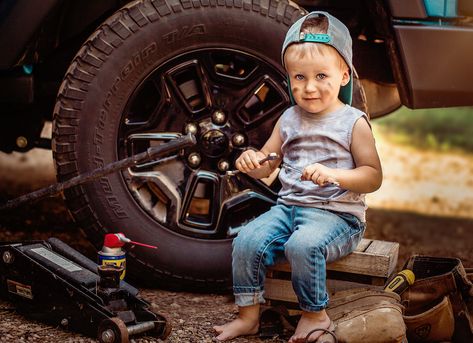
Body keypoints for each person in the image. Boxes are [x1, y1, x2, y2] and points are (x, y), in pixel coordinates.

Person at [213, 11, 382, 343]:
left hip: (337, 216)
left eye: (321, 76)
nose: (309, 87)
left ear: (344, 75)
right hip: (288, 208)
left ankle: (315, 315)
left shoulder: (353, 123)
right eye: (299, 77)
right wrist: (252, 160)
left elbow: (373, 177)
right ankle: (249, 315)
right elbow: (268, 164)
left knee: (302, 245)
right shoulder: (289, 118)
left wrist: (334, 175)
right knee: (247, 240)